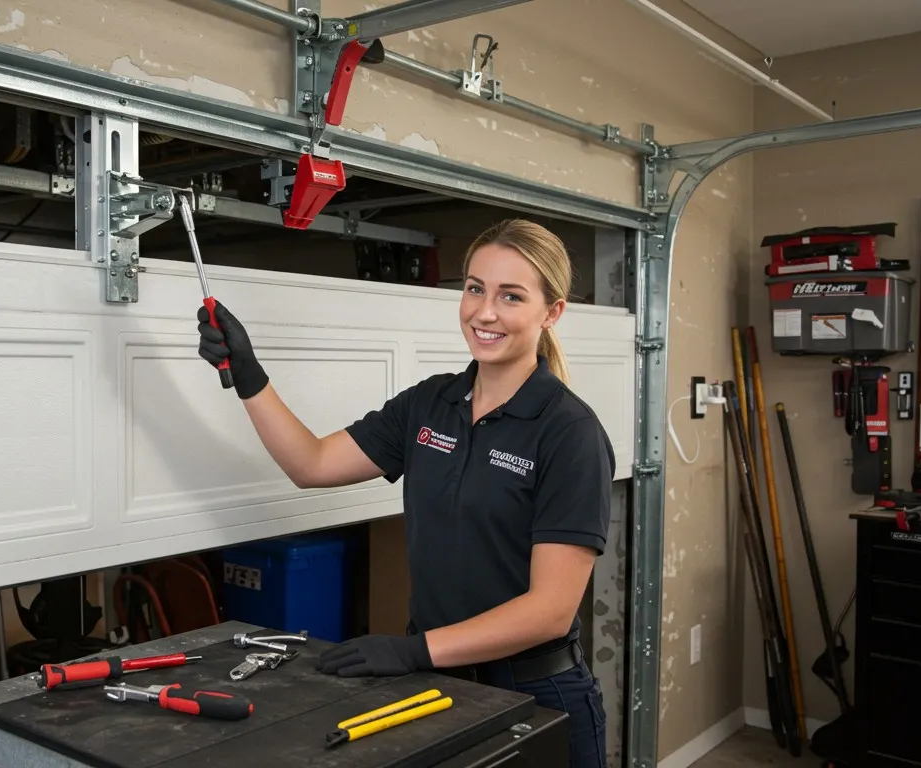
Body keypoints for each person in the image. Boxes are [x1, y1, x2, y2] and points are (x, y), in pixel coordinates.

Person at [195, 217, 614, 768]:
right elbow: (311, 463)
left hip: (536, 696)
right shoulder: (429, 405)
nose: (484, 312)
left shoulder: (569, 432)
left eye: (511, 296)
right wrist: (248, 374)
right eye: (474, 288)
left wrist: (412, 650)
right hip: (441, 687)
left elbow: (549, 613)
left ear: (551, 312)